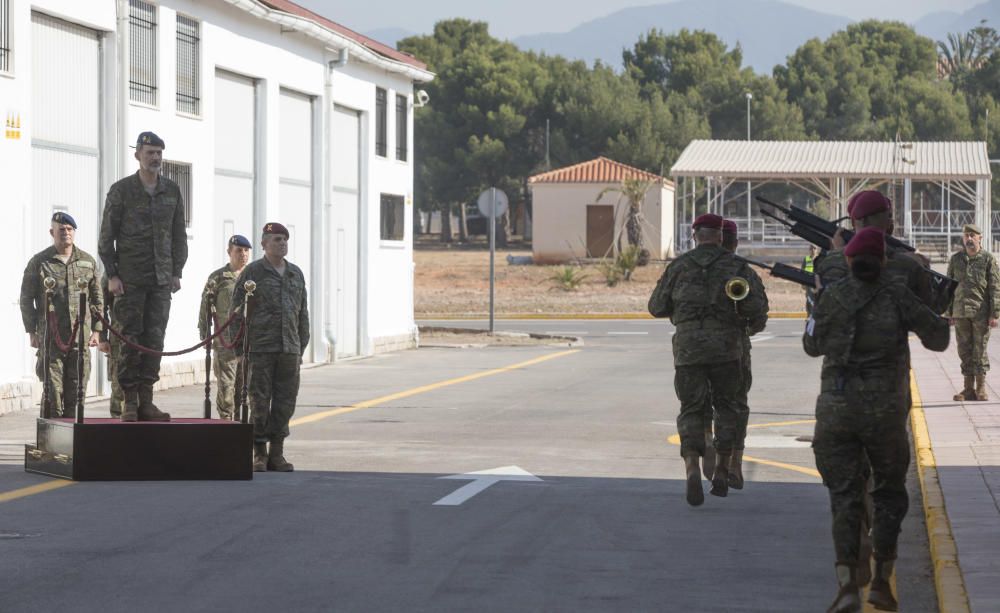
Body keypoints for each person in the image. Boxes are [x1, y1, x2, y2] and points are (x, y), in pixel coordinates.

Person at [804, 227, 949, 612]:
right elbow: (938, 338)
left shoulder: (831, 297)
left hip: (837, 411)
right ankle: (882, 580)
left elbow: (810, 344)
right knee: (887, 493)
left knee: (845, 495)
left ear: (849, 261)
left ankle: (847, 584)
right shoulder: (897, 295)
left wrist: (816, 301)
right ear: (883, 262)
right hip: (885, 412)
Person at [648, 213, 768, 506]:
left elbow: (656, 306)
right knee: (727, 407)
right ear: (719, 235)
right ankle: (724, 469)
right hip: (727, 348)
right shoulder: (737, 266)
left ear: (694, 235)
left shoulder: (678, 266)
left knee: (691, 408)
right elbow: (758, 307)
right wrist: (743, 322)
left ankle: (691, 466)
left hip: (689, 349)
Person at [98, 131, 188, 422]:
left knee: (154, 340)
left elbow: (178, 235)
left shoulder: (172, 191)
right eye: (150, 152)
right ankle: (129, 402)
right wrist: (112, 275)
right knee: (128, 339)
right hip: (130, 280)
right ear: (137, 154)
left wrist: (176, 272)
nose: (155, 158)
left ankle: (147, 399)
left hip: (161, 281)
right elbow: (106, 238)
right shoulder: (122, 190)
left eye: (159, 153)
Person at [231, 223, 310, 472]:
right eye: (277, 239)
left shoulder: (295, 273)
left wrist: (300, 347)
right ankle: (259, 453)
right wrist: (239, 351)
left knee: (285, 402)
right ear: (264, 244)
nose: (282, 243)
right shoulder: (253, 272)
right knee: (259, 401)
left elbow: (302, 314)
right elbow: (236, 313)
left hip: (289, 349)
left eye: (285, 239)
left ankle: (278, 453)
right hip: (260, 349)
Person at [20, 212, 103, 417]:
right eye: (61, 229)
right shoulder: (39, 262)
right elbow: (26, 298)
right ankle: (51, 437)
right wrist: (32, 331)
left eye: (69, 229)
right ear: (52, 232)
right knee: (52, 391)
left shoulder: (87, 261)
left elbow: (97, 298)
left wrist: (97, 330)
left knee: (77, 388)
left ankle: (74, 435)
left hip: (80, 337)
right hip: (51, 338)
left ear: (74, 232)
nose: (66, 233)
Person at [718, 218, 768, 489]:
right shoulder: (743, 271)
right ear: (735, 243)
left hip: (697, 353)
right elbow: (760, 314)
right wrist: (745, 332)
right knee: (736, 405)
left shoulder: (691, 268)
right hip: (736, 350)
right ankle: (734, 463)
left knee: (702, 405)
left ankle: (710, 459)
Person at [199, 235, 252, 420]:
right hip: (225, 343)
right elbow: (206, 305)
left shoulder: (253, 277)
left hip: (247, 343)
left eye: (246, 251)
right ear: (229, 252)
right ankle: (225, 423)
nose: (243, 255)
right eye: (239, 250)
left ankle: (240, 428)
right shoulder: (218, 277)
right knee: (226, 390)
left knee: (244, 390)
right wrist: (204, 333)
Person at [947, 223, 1000, 401]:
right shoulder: (956, 259)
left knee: (980, 351)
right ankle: (968, 389)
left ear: (979, 238)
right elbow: (949, 287)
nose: (969, 239)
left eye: (972, 235)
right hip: (960, 313)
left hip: (980, 314)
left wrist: (995, 314)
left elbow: (995, 288)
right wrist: (949, 312)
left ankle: (981, 389)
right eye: (966, 236)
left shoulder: (988, 260)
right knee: (964, 351)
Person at [97, 274, 124, 418]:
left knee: (143, 383)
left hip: (143, 338)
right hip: (119, 337)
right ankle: (116, 420)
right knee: (118, 383)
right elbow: (101, 305)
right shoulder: (112, 271)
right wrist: (102, 337)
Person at [803, 244, 820, 316]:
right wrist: (802, 283)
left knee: (816, 300)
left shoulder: (819, 259)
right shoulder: (806, 259)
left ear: (817, 250)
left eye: (814, 248)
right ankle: (809, 315)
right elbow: (802, 271)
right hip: (808, 283)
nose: (812, 250)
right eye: (811, 248)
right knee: (809, 300)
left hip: (816, 284)